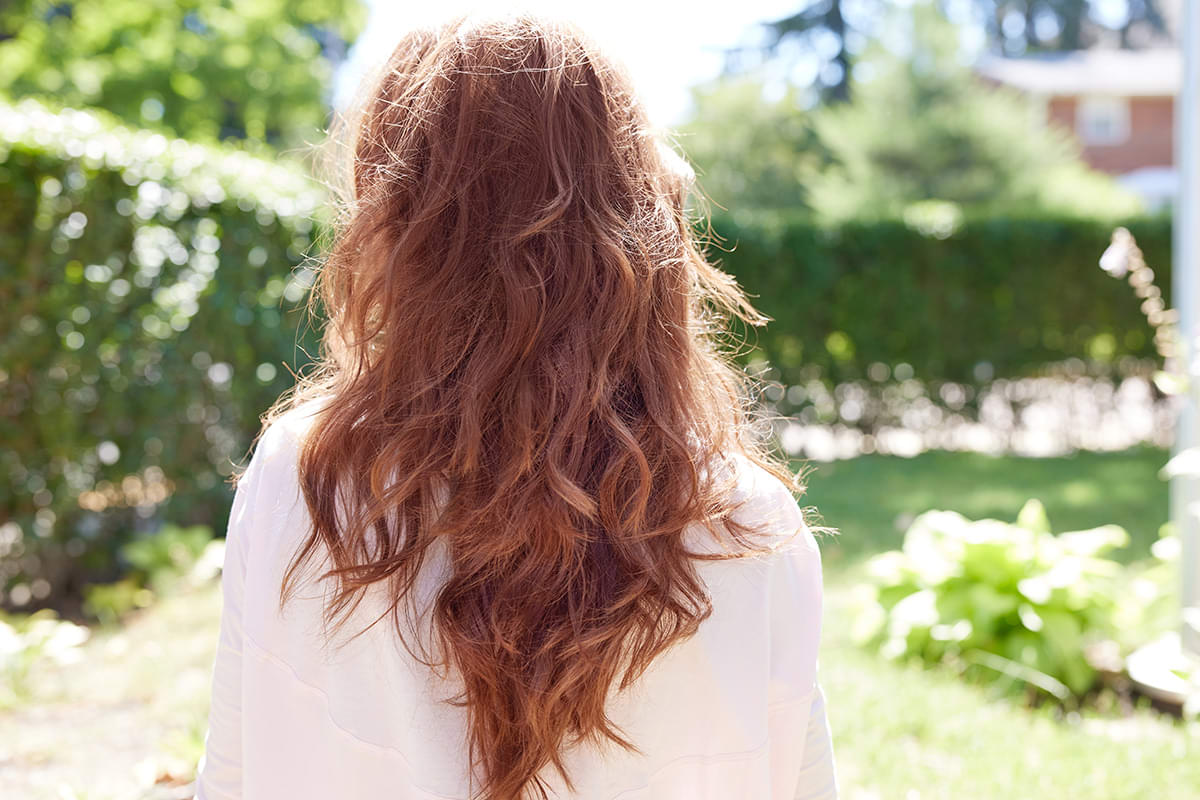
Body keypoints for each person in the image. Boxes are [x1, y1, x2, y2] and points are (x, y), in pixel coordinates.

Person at [195, 12, 837, 800]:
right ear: (640, 219)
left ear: (395, 220)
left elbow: (236, 770)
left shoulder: (309, 475)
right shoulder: (750, 524)